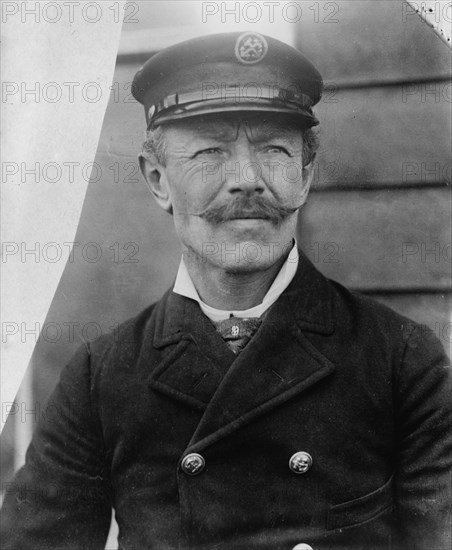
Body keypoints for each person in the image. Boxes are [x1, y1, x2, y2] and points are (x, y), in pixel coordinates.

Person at [1, 31, 450, 550]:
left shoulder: (401, 360)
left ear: (304, 175)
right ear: (158, 180)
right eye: (210, 152)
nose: (246, 180)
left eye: (275, 150)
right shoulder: (100, 378)